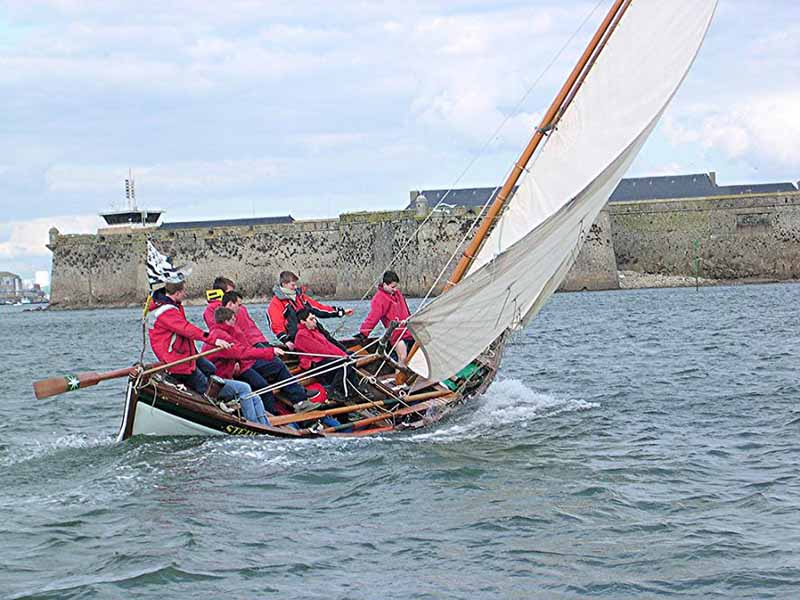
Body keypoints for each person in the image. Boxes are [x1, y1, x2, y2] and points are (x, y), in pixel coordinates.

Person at [147, 281, 252, 404]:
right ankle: (218, 400)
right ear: (177, 293)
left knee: (210, 369)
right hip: (177, 359)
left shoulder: (173, 305)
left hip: (188, 354)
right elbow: (187, 329)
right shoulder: (166, 311)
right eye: (183, 291)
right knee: (205, 386)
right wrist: (214, 340)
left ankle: (220, 391)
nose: (185, 294)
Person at [208, 303, 320, 413]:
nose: (235, 321)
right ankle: (273, 414)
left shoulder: (225, 331)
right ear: (227, 320)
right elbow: (242, 352)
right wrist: (270, 352)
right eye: (233, 320)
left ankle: (298, 399)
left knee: (277, 366)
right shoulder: (222, 335)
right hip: (237, 368)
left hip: (243, 363)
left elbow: (241, 350)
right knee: (262, 386)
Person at [267, 270, 353, 349]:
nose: (295, 287)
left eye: (295, 284)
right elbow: (276, 326)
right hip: (299, 339)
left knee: (341, 349)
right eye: (292, 285)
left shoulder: (301, 297)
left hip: (316, 332)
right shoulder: (275, 304)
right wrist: (286, 341)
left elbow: (319, 309)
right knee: (333, 352)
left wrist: (341, 312)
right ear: (284, 284)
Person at [294, 309, 363, 399]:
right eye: (311, 319)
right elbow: (321, 350)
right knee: (346, 361)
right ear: (302, 322)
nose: (315, 321)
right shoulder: (301, 335)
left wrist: (344, 354)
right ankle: (333, 389)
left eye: (314, 319)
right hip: (316, 364)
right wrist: (343, 356)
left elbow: (329, 345)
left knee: (350, 357)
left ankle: (354, 388)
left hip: (325, 360)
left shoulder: (315, 331)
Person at [358, 270, 414, 365]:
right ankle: (399, 379)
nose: (395, 289)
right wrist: (364, 333)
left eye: (396, 286)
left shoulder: (398, 294)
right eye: (393, 287)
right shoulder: (379, 298)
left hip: (409, 330)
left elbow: (407, 311)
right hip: (397, 334)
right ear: (385, 284)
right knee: (402, 357)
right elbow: (373, 317)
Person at [203, 276, 269, 347]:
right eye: (230, 292)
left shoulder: (239, 306)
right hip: (248, 344)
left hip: (256, 341)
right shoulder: (212, 309)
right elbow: (218, 330)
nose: (233, 294)